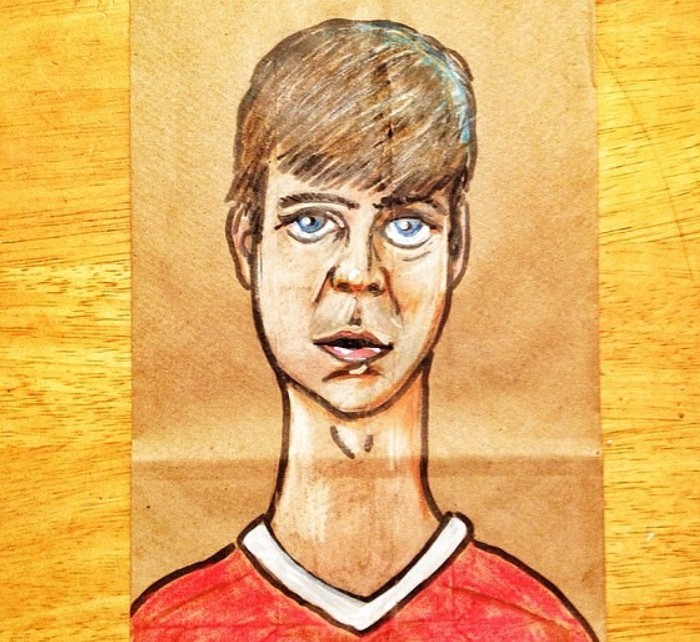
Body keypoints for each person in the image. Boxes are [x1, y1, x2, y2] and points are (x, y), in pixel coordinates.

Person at [131, 19, 598, 641]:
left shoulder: (539, 628)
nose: (358, 274)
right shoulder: (167, 628)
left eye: (407, 225)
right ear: (247, 246)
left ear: (456, 249)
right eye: (311, 221)